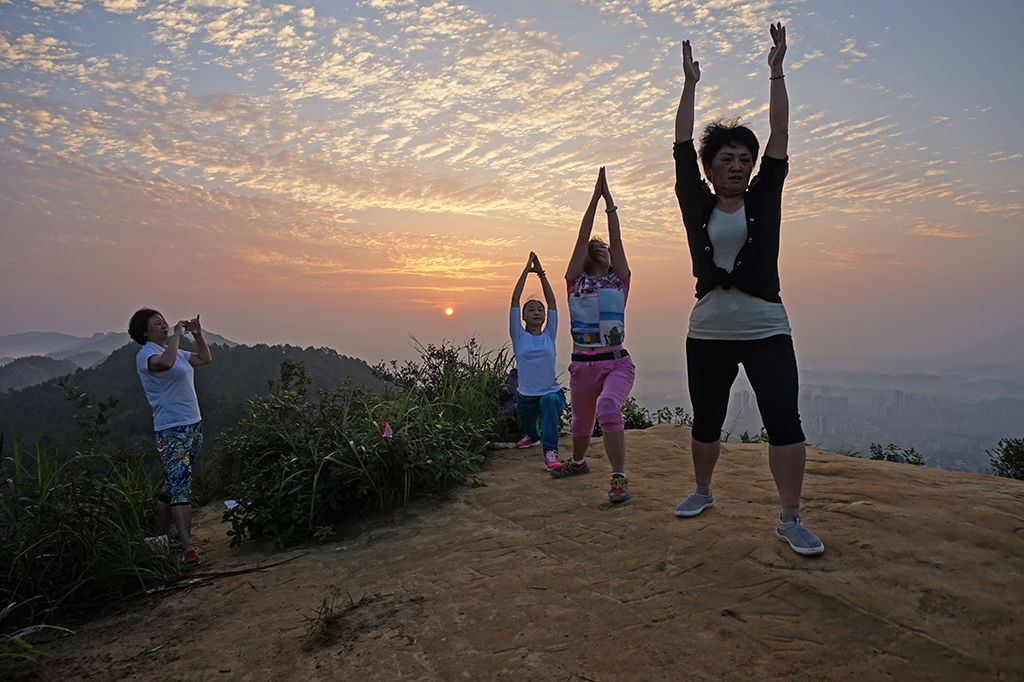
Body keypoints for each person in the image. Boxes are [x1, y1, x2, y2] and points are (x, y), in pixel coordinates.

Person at [672, 24, 824, 555]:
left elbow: (780, 135)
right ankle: (703, 490)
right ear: (710, 169)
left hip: (765, 328)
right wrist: (689, 87)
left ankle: (789, 517)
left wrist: (776, 70)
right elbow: (680, 144)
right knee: (707, 419)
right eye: (726, 160)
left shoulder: (766, 196)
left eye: (744, 160)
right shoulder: (696, 200)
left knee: (784, 420)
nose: (737, 167)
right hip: (708, 330)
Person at [554, 167, 635, 504]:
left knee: (607, 407)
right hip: (582, 366)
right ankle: (578, 462)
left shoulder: (621, 279)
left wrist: (609, 202)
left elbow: (617, 241)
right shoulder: (576, 282)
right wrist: (592, 199)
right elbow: (580, 237)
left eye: (604, 248)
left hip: (617, 364)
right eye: (595, 248)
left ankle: (619, 477)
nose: (602, 249)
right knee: (581, 424)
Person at [128, 308, 212, 566]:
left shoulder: (177, 353)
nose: (164, 326)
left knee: (174, 484)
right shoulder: (148, 355)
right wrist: (176, 335)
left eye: (165, 322)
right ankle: (187, 547)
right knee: (181, 487)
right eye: (158, 323)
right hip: (172, 429)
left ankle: (163, 539)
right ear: (145, 331)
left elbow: (204, 359)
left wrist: (196, 334)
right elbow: (164, 364)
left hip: (192, 425)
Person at [509, 252, 566, 473]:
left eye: (540, 310)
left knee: (549, 401)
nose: (537, 312)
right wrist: (526, 270)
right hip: (525, 400)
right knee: (532, 432)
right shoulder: (519, 336)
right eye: (531, 309)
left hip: (550, 395)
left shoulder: (549, 334)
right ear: (523, 317)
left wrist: (541, 273)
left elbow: (552, 301)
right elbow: (515, 300)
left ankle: (550, 453)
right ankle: (533, 437)